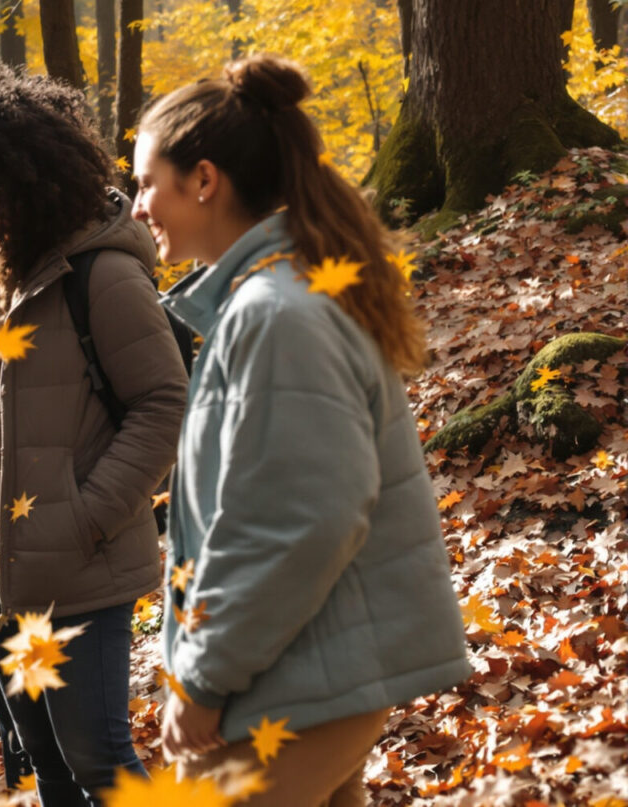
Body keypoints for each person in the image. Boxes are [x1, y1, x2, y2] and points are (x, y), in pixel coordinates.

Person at [133, 57, 466, 803]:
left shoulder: (276, 313)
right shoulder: (272, 300)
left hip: (299, 682)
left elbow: (298, 519)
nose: (136, 208)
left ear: (205, 180)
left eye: (147, 183)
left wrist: (205, 677)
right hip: (305, 669)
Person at [0, 63, 187, 803]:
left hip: (77, 561)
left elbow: (164, 405)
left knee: (97, 758)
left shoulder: (102, 274)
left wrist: (85, 518)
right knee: (39, 757)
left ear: (21, 179)